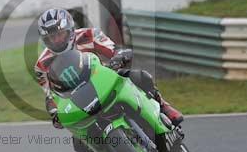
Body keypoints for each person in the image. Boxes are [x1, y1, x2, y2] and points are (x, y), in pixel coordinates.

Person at [34, 8, 183, 133]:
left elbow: (113, 50)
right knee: (79, 143)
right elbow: (50, 95)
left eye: (59, 34)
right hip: (75, 98)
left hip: (102, 78)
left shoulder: (89, 35)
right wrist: (54, 112)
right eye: (51, 37)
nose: (57, 40)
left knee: (139, 76)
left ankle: (163, 106)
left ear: (70, 29)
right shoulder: (42, 64)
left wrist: (119, 56)